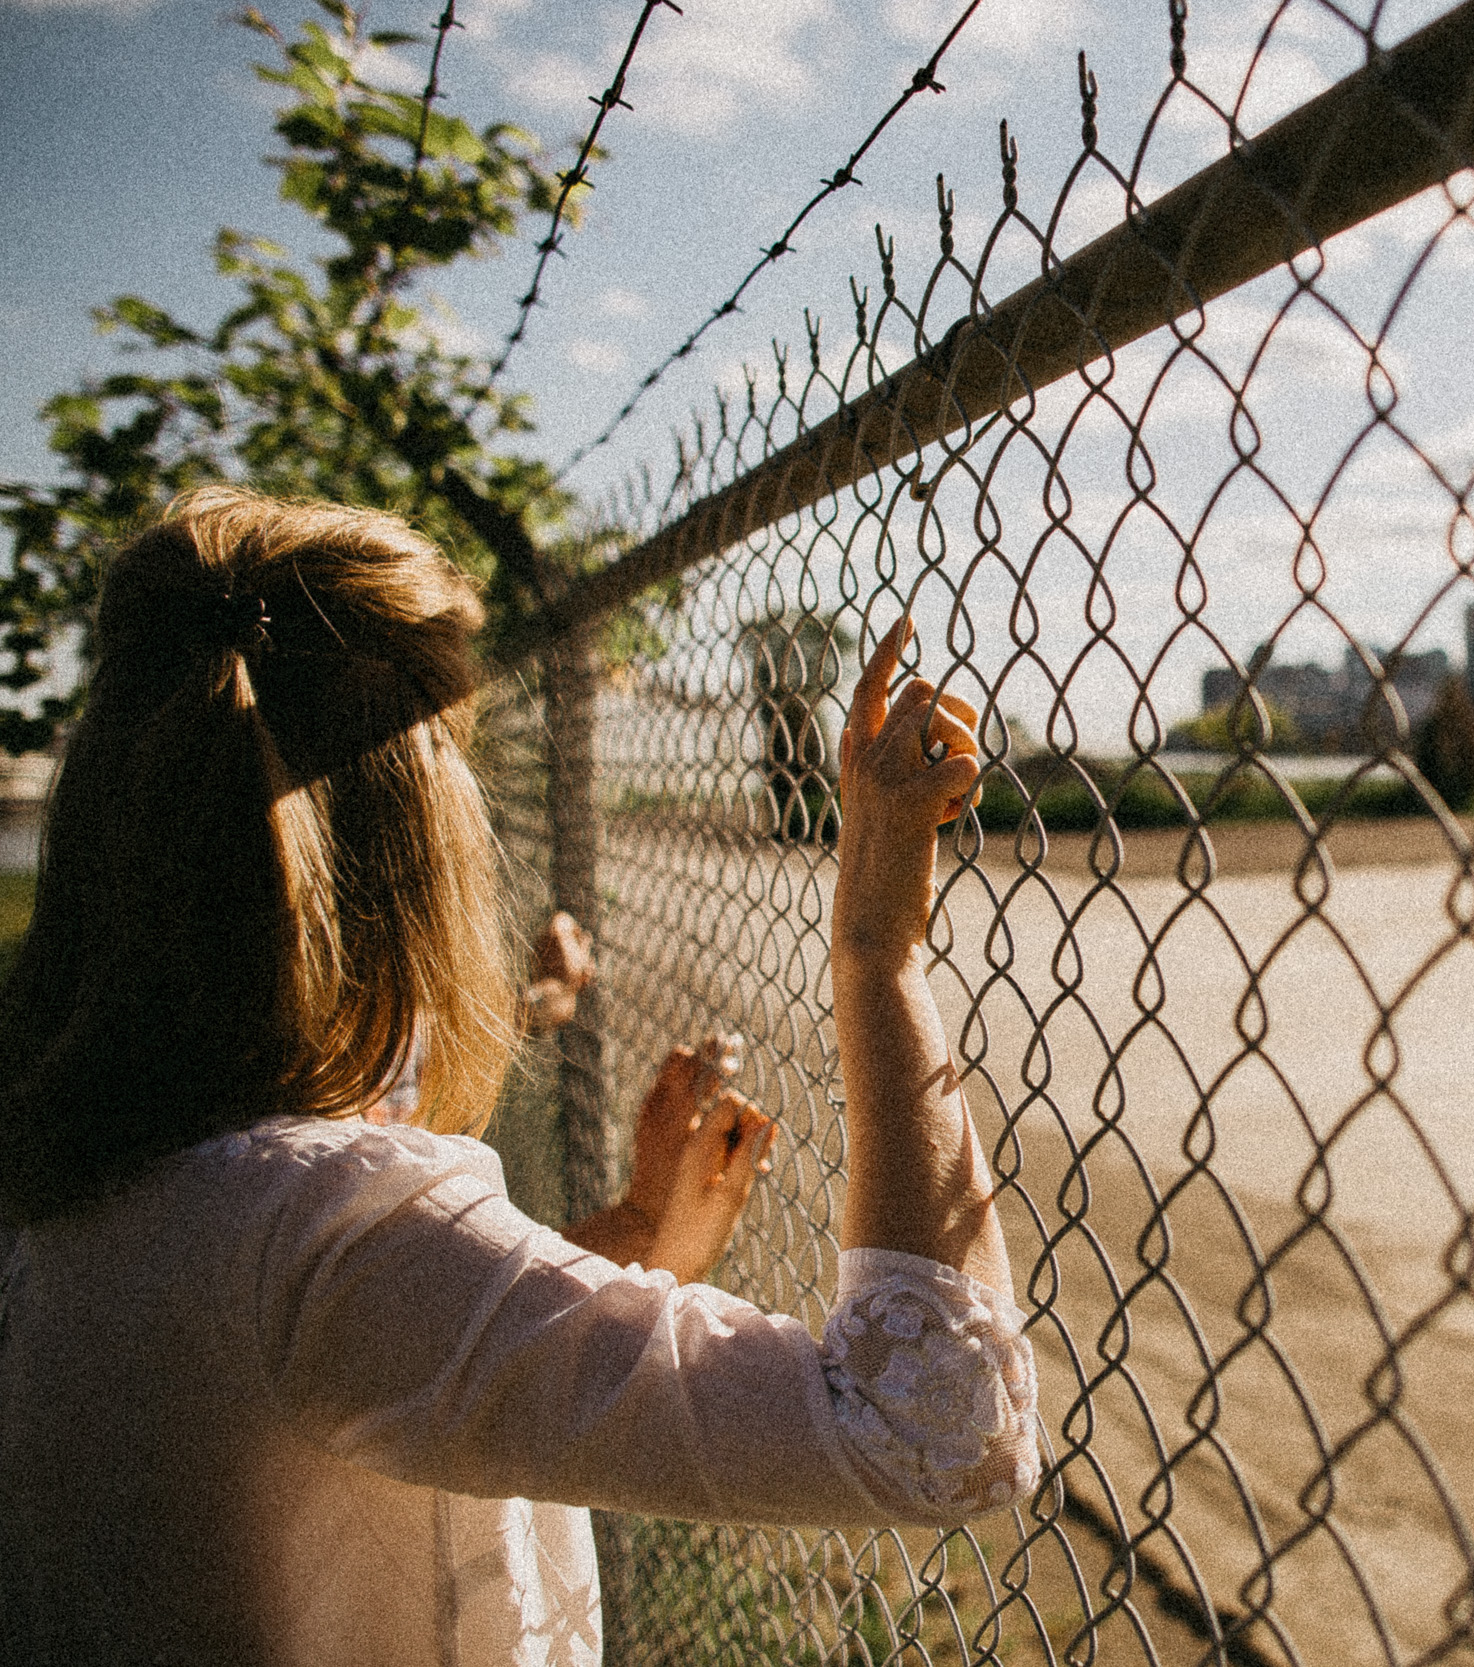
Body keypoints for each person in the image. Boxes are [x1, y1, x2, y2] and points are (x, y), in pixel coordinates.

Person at [0, 486, 1036, 1665]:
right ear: (403, 851)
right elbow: (935, 1429)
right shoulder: (316, 1224)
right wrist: (878, 949)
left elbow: (369, 1361)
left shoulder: (89, 1190)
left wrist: (644, 1226)